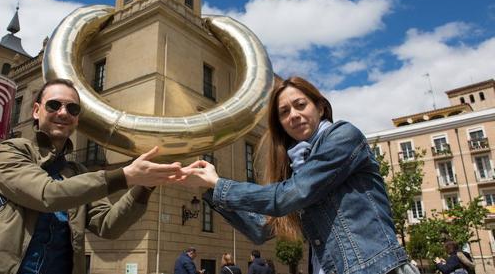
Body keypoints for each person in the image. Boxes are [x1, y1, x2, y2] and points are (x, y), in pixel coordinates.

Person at [179, 76, 419, 274]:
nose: (293, 115)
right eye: (284, 112)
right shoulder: (296, 167)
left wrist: (220, 184)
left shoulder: (344, 137)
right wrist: (207, 187)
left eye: (300, 105)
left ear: (321, 107)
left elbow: (290, 195)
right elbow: (261, 229)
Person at [0, 78, 183, 274]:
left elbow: (109, 225)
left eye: (72, 108)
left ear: (77, 119)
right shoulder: (10, 150)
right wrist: (125, 176)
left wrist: (145, 185)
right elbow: (47, 194)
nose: (63, 113)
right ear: (36, 110)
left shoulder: (78, 172)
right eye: (53, 105)